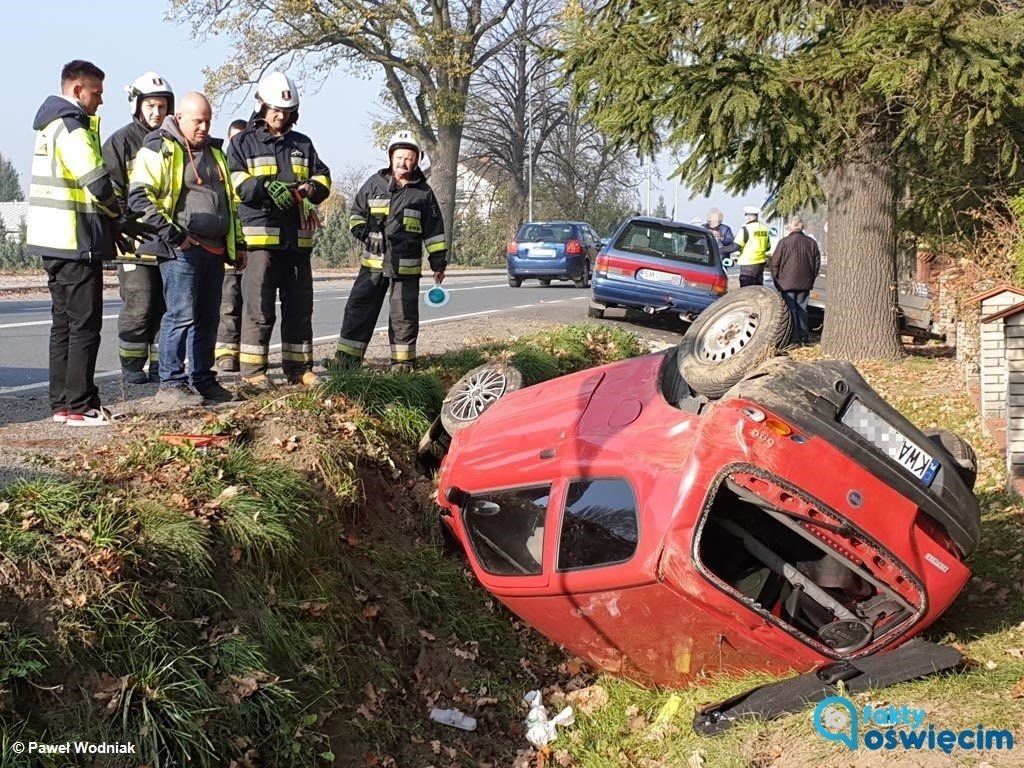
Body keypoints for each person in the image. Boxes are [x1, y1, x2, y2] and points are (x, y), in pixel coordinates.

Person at [26, 60, 134, 427]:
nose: (100, 102)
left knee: (64, 326)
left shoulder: (48, 126)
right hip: (75, 240)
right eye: (97, 93)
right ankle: (81, 406)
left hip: (52, 242)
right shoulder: (71, 126)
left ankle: (61, 403)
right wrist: (117, 214)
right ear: (77, 90)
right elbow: (97, 181)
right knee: (85, 325)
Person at [128, 92, 244, 406]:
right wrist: (174, 234)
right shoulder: (159, 147)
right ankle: (171, 384)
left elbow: (230, 203)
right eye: (198, 121)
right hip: (182, 249)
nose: (204, 127)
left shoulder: (216, 153)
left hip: (215, 249)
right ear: (180, 118)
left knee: (207, 318)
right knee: (180, 316)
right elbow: (139, 198)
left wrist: (239, 243)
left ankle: (204, 380)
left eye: (208, 120)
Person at [227, 72, 331, 390]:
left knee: (299, 308)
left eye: (286, 111)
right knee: (259, 308)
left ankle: (300, 369)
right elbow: (236, 183)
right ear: (260, 104)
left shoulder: (303, 144)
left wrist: (311, 188)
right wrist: (265, 188)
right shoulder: (243, 143)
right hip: (260, 241)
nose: (280, 115)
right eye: (274, 109)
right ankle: (254, 372)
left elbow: (324, 178)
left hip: (297, 241)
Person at [329, 130, 447, 372]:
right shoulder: (374, 184)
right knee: (358, 309)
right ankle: (346, 362)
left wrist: (439, 263)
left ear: (416, 161)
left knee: (403, 316)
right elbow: (355, 217)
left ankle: (403, 364)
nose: (404, 162)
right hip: (373, 264)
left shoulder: (424, 193)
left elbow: (435, 232)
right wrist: (366, 232)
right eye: (399, 157)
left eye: (409, 158)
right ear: (390, 157)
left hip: (406, 267)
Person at [102, 71, 175, 384]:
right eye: (150, 106)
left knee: (165, 305)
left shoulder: (174, 143)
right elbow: (111, 190)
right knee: (140, 302)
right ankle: (132, 366)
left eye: (161, 106)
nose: (156, 112)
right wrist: (121, 226)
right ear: (137, 106)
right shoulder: (120, 142)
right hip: (134, 242)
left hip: (168, 239)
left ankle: (162, 365)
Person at [213, 118, 250, 373]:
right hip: (227, 245)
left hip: (254, 245)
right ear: (228, 140)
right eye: (235, 139)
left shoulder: (254, 167)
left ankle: (248, 354)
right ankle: (226, 353)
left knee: (251, 304)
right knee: (228, 302)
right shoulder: (219, 167)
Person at [770, 216, 821, 345]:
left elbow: (774, 263)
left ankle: (793, 336)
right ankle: (804, 336)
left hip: (786, 282)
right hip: (805, 282)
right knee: (803, 309)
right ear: (802, 227)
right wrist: (811, 278)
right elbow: (816, 264)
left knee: (791, 309)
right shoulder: (811, 243)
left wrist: (777, 280)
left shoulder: (784, 242)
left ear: (791, 227)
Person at [734, 205, 771, 286]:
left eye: (746, 216)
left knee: (747, 292)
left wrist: (720, 250)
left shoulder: (746, 229)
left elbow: (736, 246)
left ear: (749, 217)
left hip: (748, 264)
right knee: (757, 290)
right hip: (760, 264)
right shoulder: (764, 229)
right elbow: (768, 247)